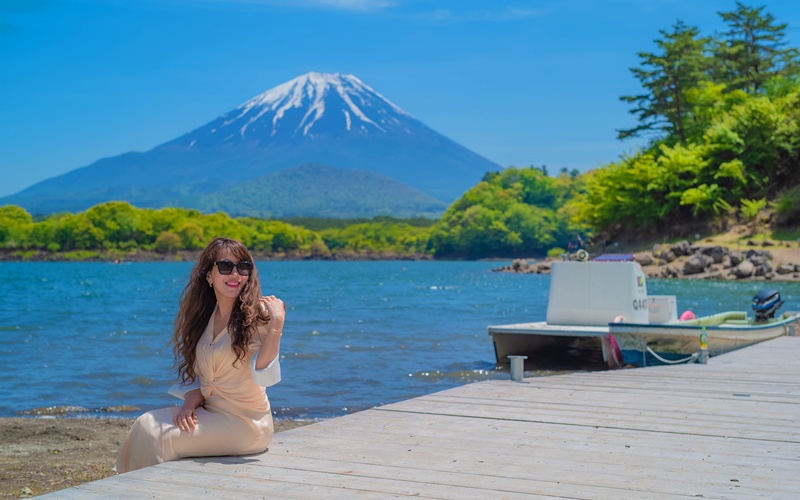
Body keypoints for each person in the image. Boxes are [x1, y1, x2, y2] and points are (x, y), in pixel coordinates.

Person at [115, 237, 285, 473]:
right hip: (211, 413)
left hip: (247, 424)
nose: (235, 274)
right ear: (209, 275)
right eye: (226, 266)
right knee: (145, 423)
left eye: (243, 267)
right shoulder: (206, 317)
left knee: (159, 437)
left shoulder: (258, 316)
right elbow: (203, 380)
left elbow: (264, 376)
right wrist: (188, 406)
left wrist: (276, 325)